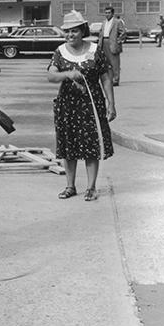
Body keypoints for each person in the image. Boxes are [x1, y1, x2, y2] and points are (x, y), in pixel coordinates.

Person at [48, 11, 116, 202]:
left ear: (82, 31)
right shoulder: (60, 52)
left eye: (74, 31)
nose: (70, 35)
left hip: (91, 104)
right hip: (67, 106)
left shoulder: (95, 50)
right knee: (68, 146)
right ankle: (70, 186)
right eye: (67, 32)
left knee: (91, 146)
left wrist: (111, 103)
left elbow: (105, 78)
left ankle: (91, 187)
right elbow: (51, 75)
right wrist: (68, 74)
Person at [98, 6, 126, 87]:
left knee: (114, 63)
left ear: (112, 13)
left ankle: (115, 79)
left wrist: (118, 41)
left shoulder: (117, 22)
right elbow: (101, 33)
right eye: (106, 13)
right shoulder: (103, 22)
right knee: (106, 63)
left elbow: (123, 33)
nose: (107, 14)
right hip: (104, 43)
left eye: (109, 13)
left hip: (113, 44)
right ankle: (108, 79)